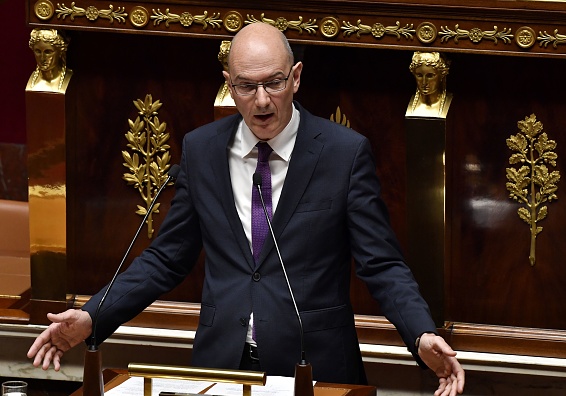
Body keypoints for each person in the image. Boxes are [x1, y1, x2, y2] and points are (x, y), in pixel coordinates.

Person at [27, 22, 465, 395]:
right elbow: (166, 258)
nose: (261, 101)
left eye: (273, 83)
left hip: (314, 368)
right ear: (228, 83)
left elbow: (382, 263)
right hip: (221, 367)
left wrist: (421, 333)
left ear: (295, 77)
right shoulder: (202, 150)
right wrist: (92, 315)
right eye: (246, 86)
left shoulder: (343, 154)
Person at [406, 51, 452, 118]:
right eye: (419, 75)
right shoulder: (407, 103)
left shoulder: (453, 105)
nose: (424, 82)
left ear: (442, 75)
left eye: (430, 76)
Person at [27, 28, 73, 93]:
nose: (42, 58)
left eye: (48, 52)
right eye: (38, 51)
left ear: (60, 52)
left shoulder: (69, 78)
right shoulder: (32, 83)